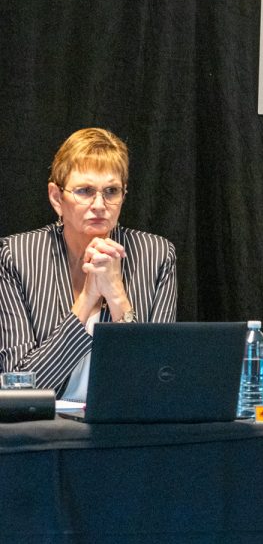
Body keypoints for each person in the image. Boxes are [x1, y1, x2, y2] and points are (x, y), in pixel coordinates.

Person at [0, 128, 177, 398]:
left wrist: (117, 296)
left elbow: (160, 382)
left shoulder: (156, 255)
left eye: (111, 191)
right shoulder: (16, 256)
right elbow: (20, 388)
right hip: (46, 431)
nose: (99, 204)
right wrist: (86, 300)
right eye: (84, 191)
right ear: (56, 198)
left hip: (124, 428)